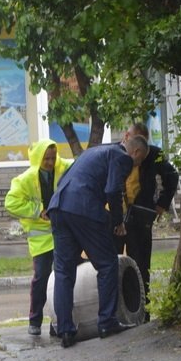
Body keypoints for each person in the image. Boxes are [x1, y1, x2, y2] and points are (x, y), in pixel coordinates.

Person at [48, 135, 150, 348]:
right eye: (138, 163)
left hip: (58, 207)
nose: (134, 167)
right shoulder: (121, 157)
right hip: (84, 209)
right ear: (136, 153)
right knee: (108, 264)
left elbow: (62, 181)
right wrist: (117, 221)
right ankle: (106, 322)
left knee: (65, 272)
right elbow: (112, 190)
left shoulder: (94, 151)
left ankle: (65, 330)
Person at [4, 139, 73, 336]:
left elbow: (80, 166)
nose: (50, 162)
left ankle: (58, 321)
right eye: (46, 159)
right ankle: (35, 320)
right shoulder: (26, 179)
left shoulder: (64, 167)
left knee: (61, 279)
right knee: (42, 279)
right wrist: (37, 211)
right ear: (38, 159)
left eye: (53, 158)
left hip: (62, 232)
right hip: (41, 239)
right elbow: (10, 202)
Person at [116, 122, 179, 318]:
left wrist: (161, 203)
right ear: (127, 137)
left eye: (144, 142)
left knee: (141, 265)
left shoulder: (152, 154)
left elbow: (172, 176)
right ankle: (117, 310)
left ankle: (143, 311)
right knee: (113, 263)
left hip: (140, 217)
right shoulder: (116, 153)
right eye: (136, 141)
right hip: (116, 218)